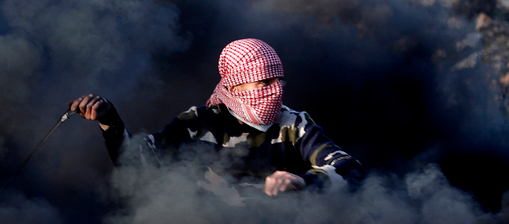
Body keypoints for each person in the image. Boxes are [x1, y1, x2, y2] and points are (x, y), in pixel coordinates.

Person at [69, 38, 363, 196]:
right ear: (233, 86)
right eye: (263, 83)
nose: (274, 92)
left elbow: (349, 169)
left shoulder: (295, 125)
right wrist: (110, 120)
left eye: (278, 82)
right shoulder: (198, 122)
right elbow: (137, 163)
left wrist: (304, 182)